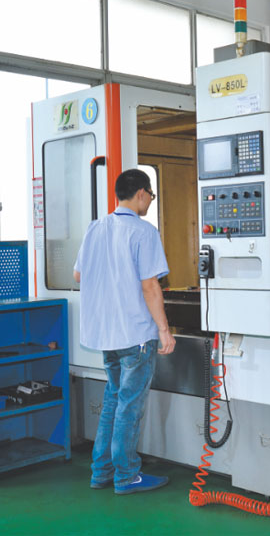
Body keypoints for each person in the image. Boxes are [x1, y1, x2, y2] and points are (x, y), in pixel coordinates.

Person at [73, 169, 176, 495]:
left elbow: (78, 275)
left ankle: (101, 472)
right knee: (129, 406)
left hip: (107, 336)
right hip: (135, 335)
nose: (150, 202)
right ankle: (127, 475)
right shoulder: (144, 232)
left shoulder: (95, 228)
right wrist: (164, 330)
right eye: (150, 196)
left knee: (113, 401)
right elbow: (150, 286)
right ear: (141, 193)